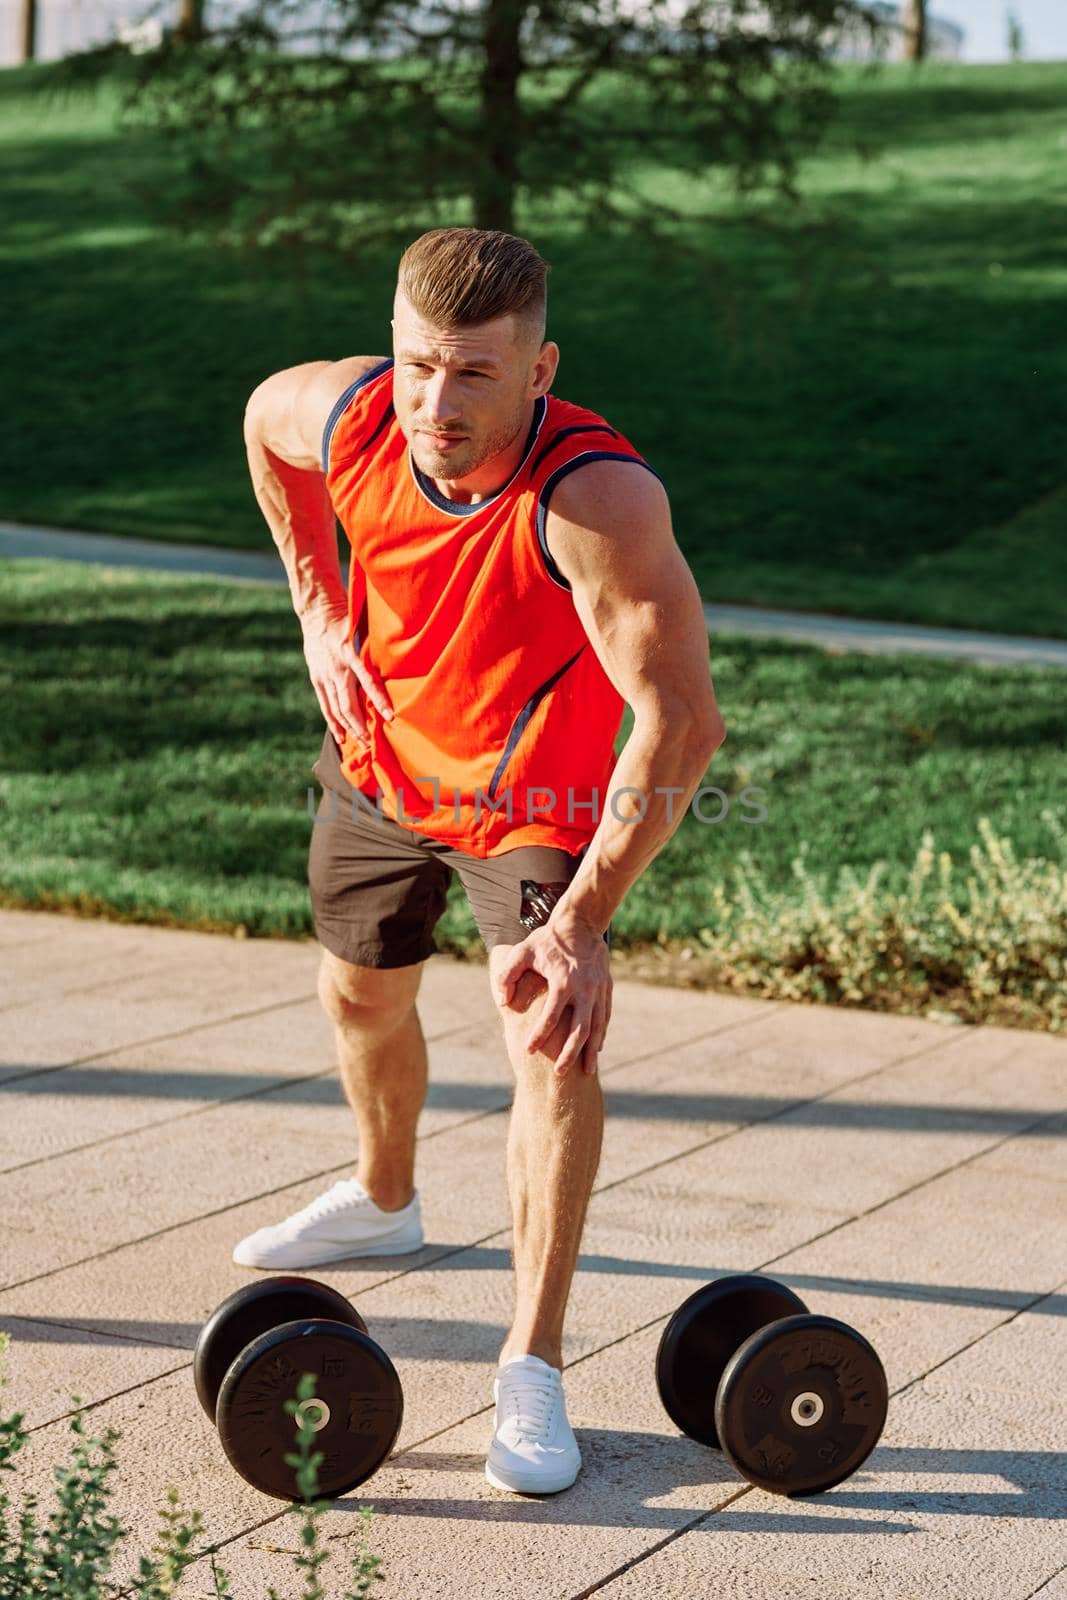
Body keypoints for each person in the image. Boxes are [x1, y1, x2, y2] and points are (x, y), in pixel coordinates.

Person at [236, 226, 726, 1496]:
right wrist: (316, 610)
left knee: (551, 1040)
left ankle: (533, 1361)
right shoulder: (347, 413)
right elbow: (259, 420)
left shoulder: (591, 498)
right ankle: (386, 1195)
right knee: (357, 993)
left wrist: (583, 921)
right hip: (383, 754)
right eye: (415, 367)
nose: (432, 405)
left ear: (538, 370)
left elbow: (681, 724)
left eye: (470, 376)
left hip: (529, 797)